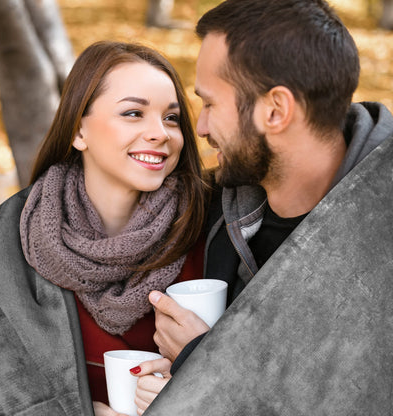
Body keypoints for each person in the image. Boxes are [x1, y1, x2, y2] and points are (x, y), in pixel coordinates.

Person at [144, 0, 393, 413]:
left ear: (275, 111)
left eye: (209, 104)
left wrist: (202, 361)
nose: (200, 127)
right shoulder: (215, 209)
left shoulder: (380, 239)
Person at [0, 40, 206, 415]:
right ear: (78, 132)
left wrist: (194, 376)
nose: (160, 133)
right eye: (134, 113)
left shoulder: (211, 231)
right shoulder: (3, 248)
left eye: (171, 117)